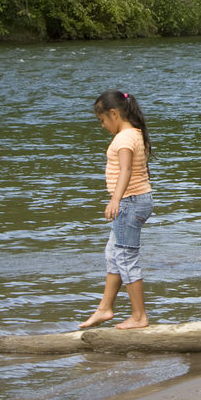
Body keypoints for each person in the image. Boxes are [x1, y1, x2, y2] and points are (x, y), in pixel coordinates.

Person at [80, 90, 154, 330]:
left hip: (130, 202)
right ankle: (105, 308)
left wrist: (115, 199)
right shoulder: (134, 133)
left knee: (125, 257)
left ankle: (139, 316)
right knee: (114, 252)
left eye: (102, 120)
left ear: (114, 113)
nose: (102, 126)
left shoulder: (123, 139)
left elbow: (125, 171)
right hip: (136, 201)